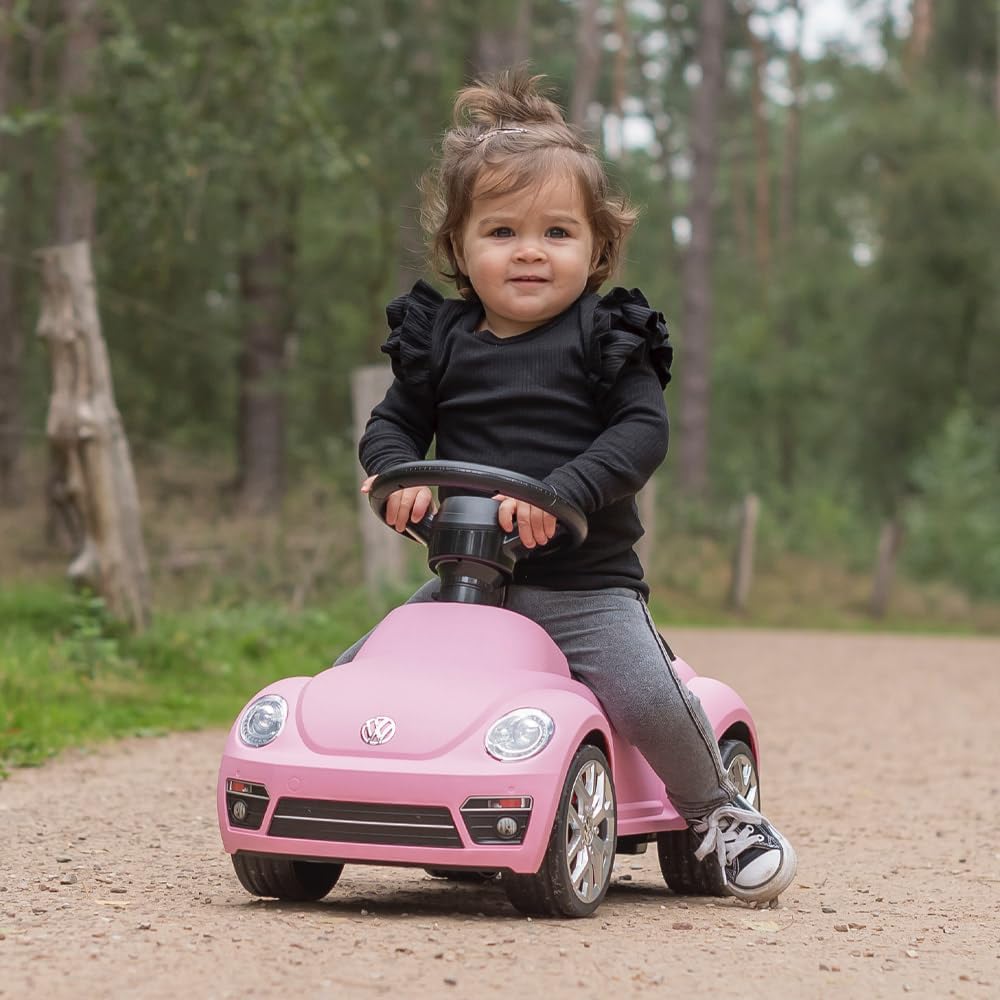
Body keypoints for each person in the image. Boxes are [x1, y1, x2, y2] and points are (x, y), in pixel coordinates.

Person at [340, 69, 796, 906]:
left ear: (597, 250)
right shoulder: (440, 340)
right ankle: (375, 799)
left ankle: (721, 818)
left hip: (585, 588)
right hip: (468, 582)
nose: (529, 250)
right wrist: (394, 475)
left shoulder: (604, 336)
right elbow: (391, 424)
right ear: (458, 249)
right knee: (360, 673)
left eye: (556, 232)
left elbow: (641, 434)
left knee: (645, 693)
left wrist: (566, 490)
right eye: (502, 231)